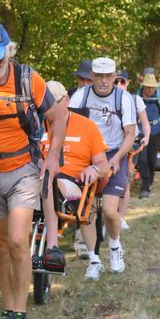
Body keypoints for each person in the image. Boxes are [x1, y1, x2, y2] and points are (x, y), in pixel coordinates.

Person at [0, 24, 66, 319]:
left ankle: (21, 318)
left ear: (9, 52)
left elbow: (58, 116)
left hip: (23, 170)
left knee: (17, 241)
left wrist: (52, 157)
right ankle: (7, 312)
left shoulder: (28, 79)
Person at [69, 57, 136, 275]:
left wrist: (115, 159)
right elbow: (70, 126)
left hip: (114, 152)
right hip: (87, 153)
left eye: (108, 76)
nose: (104, 81)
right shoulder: (81, 96)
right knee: (86, 210)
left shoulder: (124, 99)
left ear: (115, 77)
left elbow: (130, 135)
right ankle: (94, 260)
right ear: (93, 77)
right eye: (99, 76)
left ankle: (115, 246)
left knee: (108, 210)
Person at [41, 82, 109, 279]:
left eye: (55, 101)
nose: (49, 106)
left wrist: (93, 168)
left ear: (67, 100)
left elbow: (104, 165)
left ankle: (93, 260)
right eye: (45, 102)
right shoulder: (37, 125)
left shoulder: (87, 126)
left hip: (71, 182)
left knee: (51, 181)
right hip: (37, 180)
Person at [114, 70, 149, 230]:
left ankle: (120, 217)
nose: (119, 85)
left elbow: (145, 122)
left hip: (130, 146)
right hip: (108, 145)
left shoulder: (135, 100)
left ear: (128, 83)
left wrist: (147, 136)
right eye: (116, 81)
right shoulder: (105, 100)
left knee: (124, 181)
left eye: (122, 81)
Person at [136, 74, 160, 198]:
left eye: (152, 87)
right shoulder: (136, 97)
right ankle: (145, 187)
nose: (150, 90)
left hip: (156, 131)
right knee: (141, 159)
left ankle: (149, 181)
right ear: (143, 86)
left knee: (151, 160)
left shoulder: (159, 97)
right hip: (140, 132)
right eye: (148, 87)